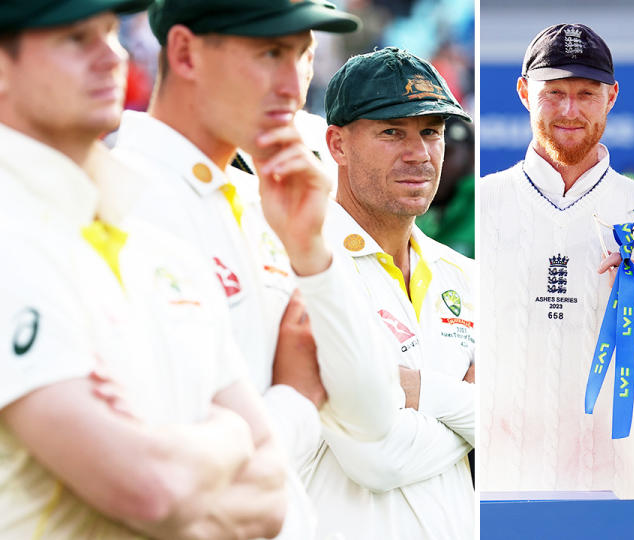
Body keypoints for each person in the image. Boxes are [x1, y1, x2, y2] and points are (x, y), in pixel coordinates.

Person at [0, 1, 290, 537]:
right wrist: (228, 435)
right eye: (73, 38)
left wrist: (172, 477)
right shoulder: (11, 239)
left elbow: (275, 492)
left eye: (110, 31)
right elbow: (150, 489)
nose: (112, 56)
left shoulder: (157, 246)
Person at [113, 0, 403, 535]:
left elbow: (374, 415)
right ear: (184, 53)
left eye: (305, 55)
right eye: (270, 53)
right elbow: (171, 472)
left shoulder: (274, 200)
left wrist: (313, 254)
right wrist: (295, 401)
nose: (293, 86)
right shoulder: (119, 200)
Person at [476, 23, 634, 499]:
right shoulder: (482, 206)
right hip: (492, 493)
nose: (570, 110)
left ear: (611, 97)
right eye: (554, 93)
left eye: (586, 94)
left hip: (614, 495)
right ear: (524, 92)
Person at [291, 46, 475, 539]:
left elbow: (514, 429)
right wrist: (471, 405)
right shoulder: (306, 267)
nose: (418, 153)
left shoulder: (464, 276)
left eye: (430, 132)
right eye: (392, 131)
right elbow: (378, 458)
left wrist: (418, 391)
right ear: (338, 145)